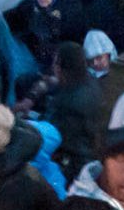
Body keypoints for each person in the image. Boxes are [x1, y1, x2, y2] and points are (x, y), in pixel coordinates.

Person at [44, 41, 106, 176]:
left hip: (73, 163)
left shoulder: (68, 104)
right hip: (89, 152)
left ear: (60, 68)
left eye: (55, 63)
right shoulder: (90, 82)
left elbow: (49, 135)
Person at [5, 0, 69, 70]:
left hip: (55, 65)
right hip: (29, 55)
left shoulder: (69, 8)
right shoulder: (30, 4)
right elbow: (11, 18)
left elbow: (73, 46)